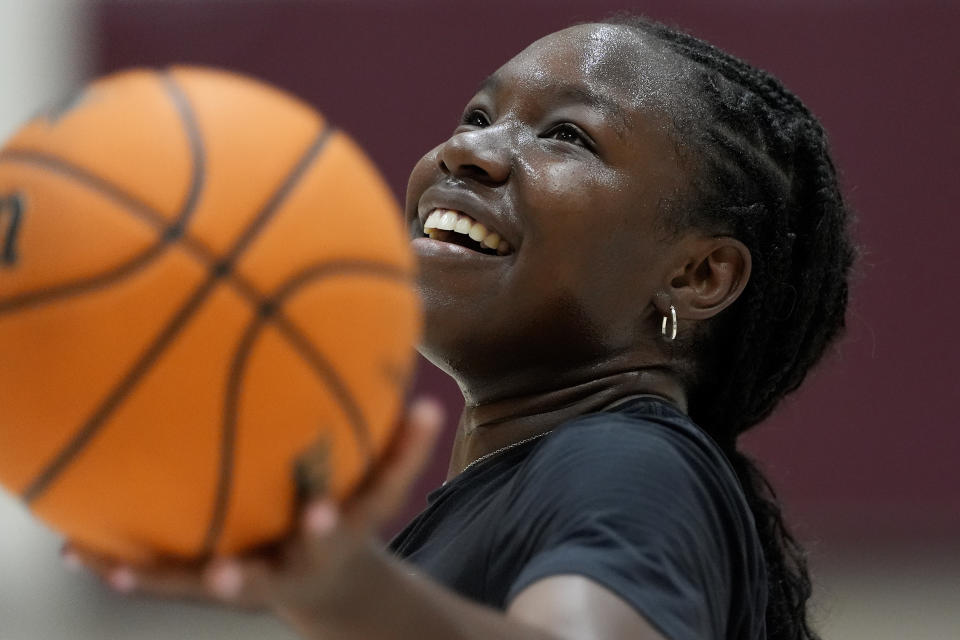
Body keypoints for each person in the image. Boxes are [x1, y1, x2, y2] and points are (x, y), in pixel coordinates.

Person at [67, 15, 854, 640]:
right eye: (478, 114)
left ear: (696, 275)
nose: (468, 150)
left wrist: (346, 593)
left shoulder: (626, 465)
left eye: (566, 135)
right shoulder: (515, 499)